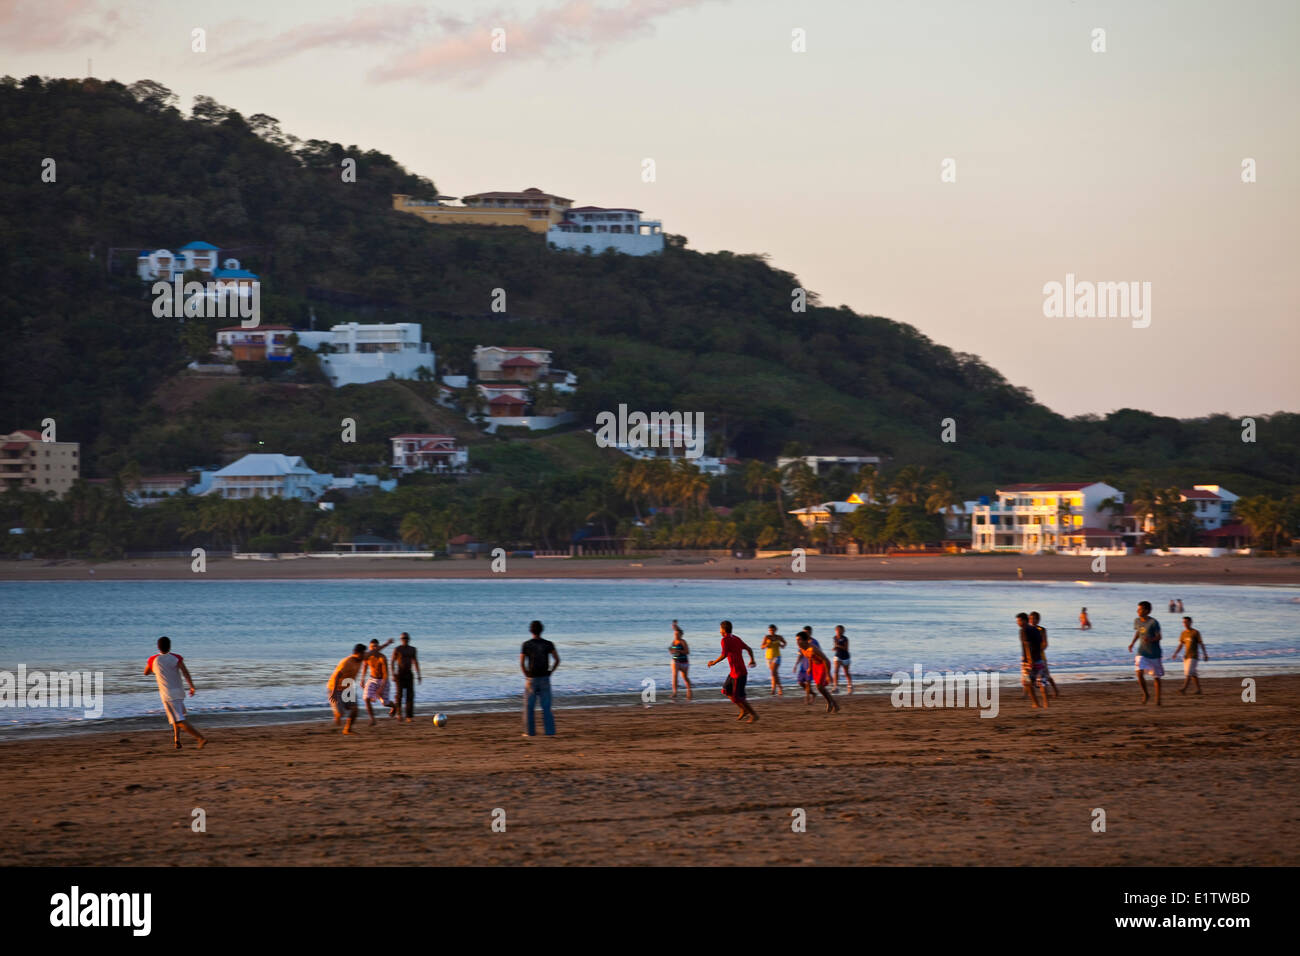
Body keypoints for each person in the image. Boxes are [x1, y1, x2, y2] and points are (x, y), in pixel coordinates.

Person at [144, 636, 206, 750]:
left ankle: (200, 738)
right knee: (177, 716)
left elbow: (146, 672)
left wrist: (157, 670)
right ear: (170, 646)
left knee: (178, 720)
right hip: (179, 692)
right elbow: (185, 672)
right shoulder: (176, 657)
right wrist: (192, 687)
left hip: (168, 694)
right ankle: (176, 740)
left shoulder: (153, 659)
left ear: (158, 647)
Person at [707, 620, 758, 722]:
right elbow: (749, 649)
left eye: (720, 629)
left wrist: (714, 662)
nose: (719, 631)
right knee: (726, 691)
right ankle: (743, 710)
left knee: (738, 697)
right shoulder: (736, 638)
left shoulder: (725, 640)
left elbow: (724, 654)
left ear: (723, 630)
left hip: (739, 673)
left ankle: (754, 714)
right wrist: (752, 659)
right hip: (733, 673)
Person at [521, 620, 559, 737]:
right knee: (546, 707)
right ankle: (550, 731)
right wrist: (551, 671)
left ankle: (529, 732)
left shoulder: (526, 645)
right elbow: (557, 660)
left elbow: (522, 663)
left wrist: (526, 674)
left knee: (529, 706)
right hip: (544, 677)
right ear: (541, 630)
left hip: (531, 678)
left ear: (531, 630)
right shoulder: (548, 644)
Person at [1128, 601, 1164, 705]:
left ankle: (1158, 698)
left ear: (1147, 611)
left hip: (1154, 653)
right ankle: (1146, 694)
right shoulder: (1137, 621)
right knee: (1139, 672)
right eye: (1138, 609)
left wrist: (1151, 639)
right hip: (1142, 652)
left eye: (1140, 609)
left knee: (1156, 677)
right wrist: (1132, 643)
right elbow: (1138, 632)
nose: (1138, 611)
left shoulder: (1153, 622)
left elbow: (1159, 637)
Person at [328, 644, 368, 735]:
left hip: (348, 688)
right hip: (335, 688)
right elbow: (337, 676)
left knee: (355, 709)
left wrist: (386, 644)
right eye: (363, 653)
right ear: (358, 653)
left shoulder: (360, 659)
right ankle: (337, 715)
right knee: (340, 713)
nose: (364, 655)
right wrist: (333, 692)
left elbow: (374, 651)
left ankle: (347, 729)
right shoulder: (347, 662)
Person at [362, 638, 398, 724]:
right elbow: (365, 666)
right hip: (372, 679)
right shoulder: (368, 657)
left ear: (378, 647)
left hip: (383, 681)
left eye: (375, 646)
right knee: (366, 698)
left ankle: (394, 706)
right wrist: (362, 679)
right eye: (372, 647)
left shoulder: (382, 658)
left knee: (385, 703)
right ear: (369, 647)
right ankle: (372, 719)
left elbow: (386, 675)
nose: (374, 648)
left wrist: (380, 689)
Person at [1017, 612, 1049, 709]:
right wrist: (1038, 656)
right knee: (1042, 682)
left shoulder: (1023, 630)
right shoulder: (1036, 629)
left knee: (1027, 682)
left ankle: (1035, 703)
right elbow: (1041, 644)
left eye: (1019, 621)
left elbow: (1026, 645)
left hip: (1028, 661)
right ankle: (1046, 703)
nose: (1018, 623)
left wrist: (1030, 659)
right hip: (1039, 659)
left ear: (1024, 620)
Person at [1171, 616, 1207, 695]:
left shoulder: (1195, 632)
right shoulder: (1183, 633)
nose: (1185, 623)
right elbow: (1181, 644)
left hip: (1193, 656)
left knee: (1188, 673)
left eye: (1187, 622)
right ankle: (1199, 690)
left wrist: (1205, 654)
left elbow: (1201, 644)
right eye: (1184, 622)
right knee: (1193, 674)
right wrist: (1175, 653)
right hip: (1186, 656)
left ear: (1191, 622)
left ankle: (1183, 689)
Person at [1028, 612, 1060, 698]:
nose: (1032, 620)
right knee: (1030, 675)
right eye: (1030, 619)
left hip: (1040, 656)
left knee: (1047, 675)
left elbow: (1045, 643)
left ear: (1038, 620)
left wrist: (1039, 651)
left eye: (1034, 619)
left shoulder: (1041, 630)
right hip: (1030, 657)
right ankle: (1027, 694)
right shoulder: (1027, 629)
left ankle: (1055, 690)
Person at [391, 632, 420, 721]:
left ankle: (409, 716)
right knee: (399, 695)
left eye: (406, 638)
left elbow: (415, 661)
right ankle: (399, 714)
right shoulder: (397, 649)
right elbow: (392, 662)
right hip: (400, 674)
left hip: (409, 674)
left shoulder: (413, 649)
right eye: (403, 638)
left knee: (410, 695)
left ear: (409, 639)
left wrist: (419, 675)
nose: (405, 640)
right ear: (401, 640)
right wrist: (393, 674)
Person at [803, 641, 840, 713]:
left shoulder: (812, 647)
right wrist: (810, 668)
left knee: (819, 686)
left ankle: (831, 703)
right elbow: (809, 657)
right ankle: (834, 704)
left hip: (822, 665)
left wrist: (828, 674)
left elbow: (825, 659)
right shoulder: (803, 649)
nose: (798, 642)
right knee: (821, 688)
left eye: (799, 640)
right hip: (815, 667)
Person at [760, 625, 786, 696]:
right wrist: (766, 645)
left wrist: (782, 645)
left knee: (773, 672)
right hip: (768, 657)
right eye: (770, 630)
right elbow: (762, 647)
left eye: (773, 630)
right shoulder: (767, 637)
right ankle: (779, 688)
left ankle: (774, 689)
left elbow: (785, 643)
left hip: (777, 656)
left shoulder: (779, 637)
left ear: (776, 630)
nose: (771, 631)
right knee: (774, 674)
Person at [669, 623, 692, 700]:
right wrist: (672, 651)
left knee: (685, 677)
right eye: (675, 634)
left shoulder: (683, 642)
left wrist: (680, 651)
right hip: (675, 660)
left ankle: (689, 690)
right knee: (674, 676)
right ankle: (675, 692)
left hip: (684, 662)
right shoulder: (673, 642)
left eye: (677, 634)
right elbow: (672, 651)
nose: (675, 635)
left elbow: (687, 652)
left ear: (680, 635)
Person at [831, 625, 853, 694]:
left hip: (845, 656)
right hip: (838, 656)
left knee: (846, 673)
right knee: (836, 671)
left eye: (840, 630)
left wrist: (838, 646)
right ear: (836, 630)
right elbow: (836, 646)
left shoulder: (845, 639)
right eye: (837, 630)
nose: (839, 631)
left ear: (843, 631)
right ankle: (835, 687)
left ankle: (849, 685)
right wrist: (835, 648)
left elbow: (846, 649)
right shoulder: (834, 638)